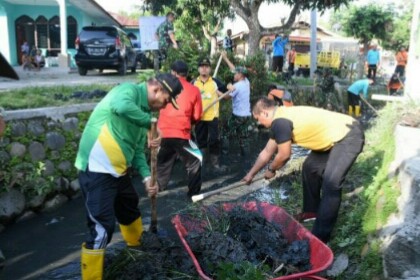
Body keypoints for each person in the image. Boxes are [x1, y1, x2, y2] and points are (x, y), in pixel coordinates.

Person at [74, 73, 182, 280]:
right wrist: (150, 122)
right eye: (166, 101)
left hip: (119, 171)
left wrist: (147, 178)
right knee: (102, 228)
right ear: (157, 89)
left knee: (130, 210)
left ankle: (136, 251)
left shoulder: (143, 113)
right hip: (97, 170)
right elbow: (120, 106)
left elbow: (138, 153)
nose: (165, 106)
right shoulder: (128, 91)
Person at [243, 98, 365, 243]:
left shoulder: (280, 122)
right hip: (333, 139)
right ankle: (311, 212)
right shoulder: (281, 118)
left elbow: (284, 155)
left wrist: (271, 169)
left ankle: (320, 237)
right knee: (310, 167)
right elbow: (267, 152)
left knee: (331, 184)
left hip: (347, 136)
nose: (259, 123)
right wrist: (250, 175)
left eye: (258, 119)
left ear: (264, 113)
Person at [157, 61, 203, 197]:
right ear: (187, 74)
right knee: (196, 160)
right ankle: (194, 195)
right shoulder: (194, 89)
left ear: (173, 73)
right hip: (182, 135)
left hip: (162, 133)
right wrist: (191, 121)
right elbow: (197, 116)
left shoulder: (162, 88)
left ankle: (159, 189)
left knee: (163, 164)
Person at [192, 58, 226, 171]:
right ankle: (202, 162)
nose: (204, 69)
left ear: (210, 69)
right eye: (202, 66)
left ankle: (215, 164)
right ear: (198, 69)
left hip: (212, 117)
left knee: (214, 140)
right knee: (200, 140)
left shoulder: (216, 82)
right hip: (199, 117)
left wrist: (229, 89)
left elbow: (227, 94)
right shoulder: (193, 83)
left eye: (206, 66)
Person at [220, 50, 252, 156]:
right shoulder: (246, 82)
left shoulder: (237, 87)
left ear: (241, 75)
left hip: (238, 116)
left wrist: (216, 91)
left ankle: (224, 155)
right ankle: (245, 158)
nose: (234, 74)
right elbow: (233, 68)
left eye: (236, 73)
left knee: (225, 134)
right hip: (247, 116)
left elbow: (226, 98)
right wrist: (225, 58)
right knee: (243, 138)